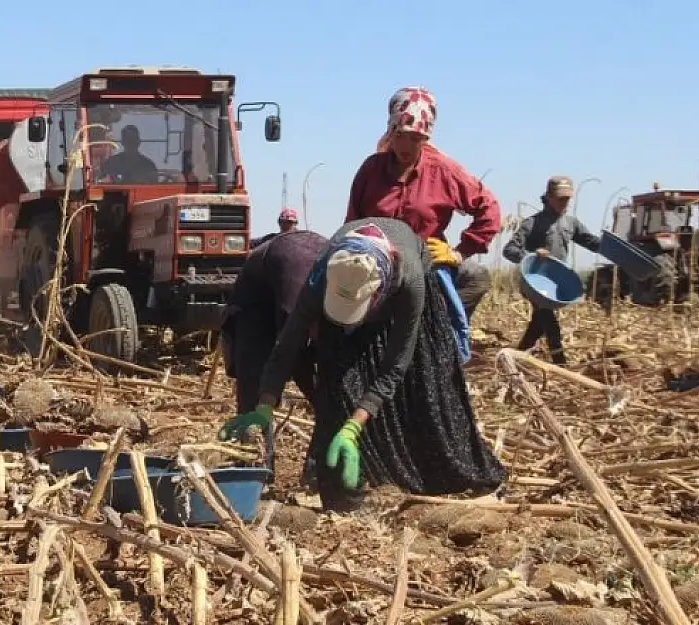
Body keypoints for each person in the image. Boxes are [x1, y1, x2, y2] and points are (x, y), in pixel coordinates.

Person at [219, 217, 506, 513]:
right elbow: (289, 344)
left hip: (398, 287)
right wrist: (265, 405)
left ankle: (414, 477)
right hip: (350, 292)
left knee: (419, 387)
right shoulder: (323, 274)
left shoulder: (410, 282)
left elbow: (397, 362)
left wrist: (356, 423)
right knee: (336, 386)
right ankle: (341, 495)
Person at [345, 86, 501, 322]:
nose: (406, 146)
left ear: (426, 137)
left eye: (415, 138)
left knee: (474, 284)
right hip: (375, 266)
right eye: (400, 136)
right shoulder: (371, 169)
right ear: (391, 131)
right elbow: (352, 223)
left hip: (424, 265)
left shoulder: (444, 170)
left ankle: (444, 335)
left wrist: (459, 253)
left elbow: (489, 207)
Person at [218, 229, 328, 486]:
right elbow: (285, 353)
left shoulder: (344, 273)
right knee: (255, 394)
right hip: (255, 309)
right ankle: (255, 470)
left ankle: (318, 472)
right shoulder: (297, 283)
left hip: (296, 302)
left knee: (329, 395)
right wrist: (269, 398)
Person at [503, 176, 601, 365]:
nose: (565, 203)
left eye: (567, 199)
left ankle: (517, 356)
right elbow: (509, 250)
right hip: (534, 283)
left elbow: (591, 242)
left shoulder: (571, 223)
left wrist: (613, 248)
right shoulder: (532, 223)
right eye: (560, 198)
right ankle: (560, 363)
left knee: (539, 323)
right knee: (550, 323)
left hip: (554, 285)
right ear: (548, 197)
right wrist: (528, 255)